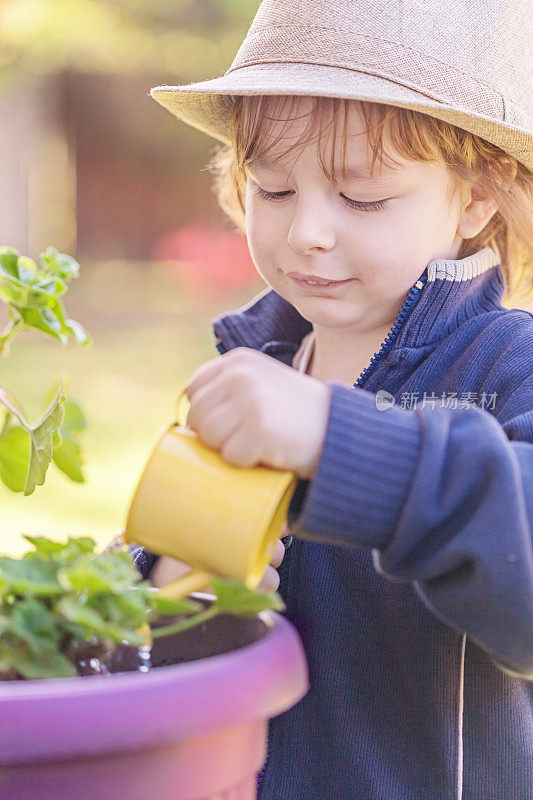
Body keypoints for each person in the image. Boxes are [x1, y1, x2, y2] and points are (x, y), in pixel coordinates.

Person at [130, 1, 533, 797]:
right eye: (273, 189)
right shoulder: (257, 361)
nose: (306, 231)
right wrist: (166, 585)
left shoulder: (507, 365)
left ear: (475, 201)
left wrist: (336, 443)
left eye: (363, 198)